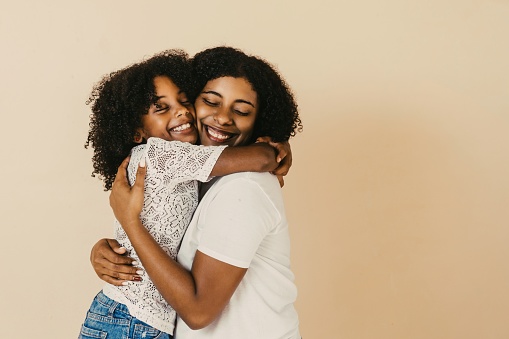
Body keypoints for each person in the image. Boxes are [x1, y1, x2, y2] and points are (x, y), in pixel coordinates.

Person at [91, 46, 303, 338]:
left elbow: (197, 310)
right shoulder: (188, 172)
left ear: (260, 120)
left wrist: (131, 224)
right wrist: (109, 248)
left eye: (241, 111)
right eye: (210, 101)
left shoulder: (244, 187)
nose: (223, 118)